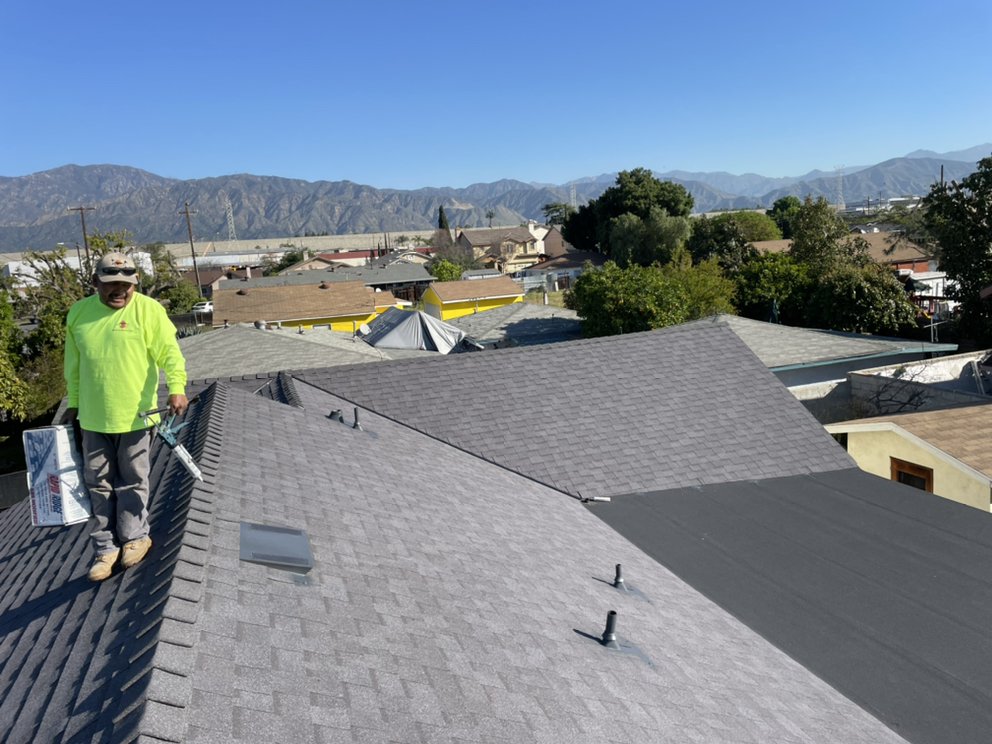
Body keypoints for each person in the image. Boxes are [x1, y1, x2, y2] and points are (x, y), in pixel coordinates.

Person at [63, 252, 189, 582]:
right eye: (111, 285)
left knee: (133, 480)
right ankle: (106, 549)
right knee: (99, 485)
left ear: (135, 284)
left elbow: (170, 353)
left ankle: (135, 538)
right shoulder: (79, 314)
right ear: (95, 284)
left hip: (136, 415)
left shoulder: (149, 311)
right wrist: (74, 405)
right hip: (92, 419)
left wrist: (177, 388)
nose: (119, 291)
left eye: (126, 285)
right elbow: (73, 368)